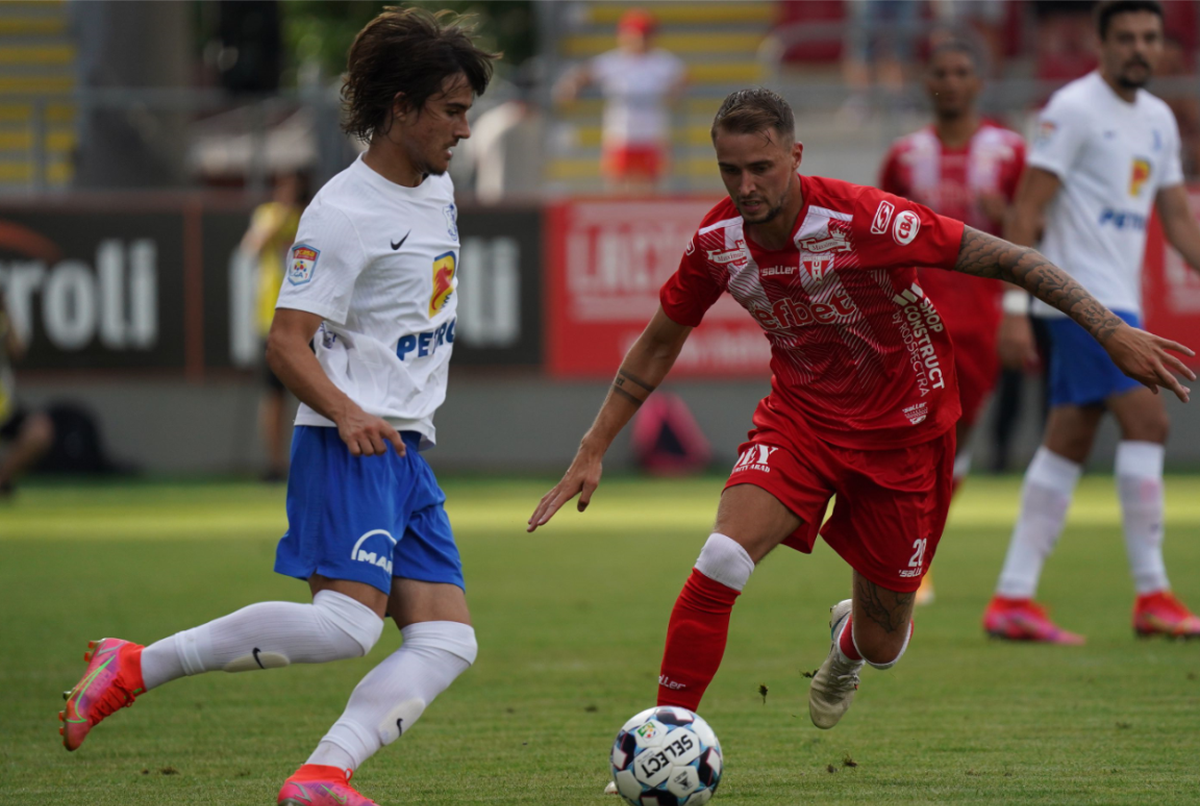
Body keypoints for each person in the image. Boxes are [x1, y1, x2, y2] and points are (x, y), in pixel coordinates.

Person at [528, 87, 1192, 743]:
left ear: (795, 157)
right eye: (731, 170)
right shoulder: (717, 244)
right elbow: (658, 342)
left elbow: (1009, 257)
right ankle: (665, 738)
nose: (746, 186)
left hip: (906, 432)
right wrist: (593, 446)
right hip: (801, 421)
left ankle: (848, 645)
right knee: (722, 555)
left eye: (761, 168)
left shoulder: (864, 219)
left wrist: (1109, 331)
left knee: (883, 644)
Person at [58, 10, 496, 806]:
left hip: (405, 451)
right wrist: (349, 412)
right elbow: (286, 343)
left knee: (446, 639)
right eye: (452, 111)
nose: (465, 130)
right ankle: (137, 664)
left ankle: (322, 776)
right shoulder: (342, 212)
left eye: (468, 111)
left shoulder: (438, 191)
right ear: (401, 107)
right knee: (346, 627)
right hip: (349, 442)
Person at [984, 0, 1200, 643]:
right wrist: (1015, 309)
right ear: (1101, 44)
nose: (1139, 48)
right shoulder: (1072, 109)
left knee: (1069, 440)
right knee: (1149, 420)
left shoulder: (1158, 119)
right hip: (1078, 300)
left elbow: (1178, 221)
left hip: (1120, 301)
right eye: (1126, 37)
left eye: (1149, 38)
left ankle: (1012, 597)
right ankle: (1153, 594)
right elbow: (1026, 214)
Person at [879, 38, 1026, 604]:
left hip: (981, 321)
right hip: (914, 320)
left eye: (962, 71)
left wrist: (1016, 310)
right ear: (928, 82)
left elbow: (1035, 231)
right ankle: (906, 560)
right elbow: (876, 234)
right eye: (941, 71)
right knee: (914, 438)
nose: (952, 81)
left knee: (955, 443)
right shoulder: (905, 155)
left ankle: (917, 555)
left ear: (979, 82)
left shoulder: (1008, 151)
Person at [553, 7, 686, 194]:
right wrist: (571, 86)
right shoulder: (613, 61)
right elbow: (582, 75)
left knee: (650, 190)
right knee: (617, 188)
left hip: (652, 136)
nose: (640, 40)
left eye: (645, 35)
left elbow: (682, 78)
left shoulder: (662, 61)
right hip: (620, 136)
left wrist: (675, 90)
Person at [239, 170, 308, 481]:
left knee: (317, 393)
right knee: (274, 395)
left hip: (308, 318)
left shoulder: (311, 217)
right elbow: (251, 247)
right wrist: (281, 216)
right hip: (272, 316)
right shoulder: (268, 215)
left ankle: (314, 462)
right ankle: (275, 463)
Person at [0, 289, 53, 498]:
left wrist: (5, 309)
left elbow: (18, 350)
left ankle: (2, 480)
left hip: (3, 407)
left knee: (39, 431)